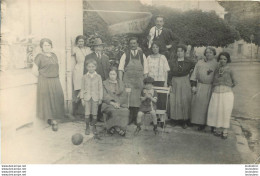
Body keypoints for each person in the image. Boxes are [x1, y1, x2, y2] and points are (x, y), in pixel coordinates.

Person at [32, 38, 64, 130]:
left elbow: (57, 68)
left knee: (57, 98)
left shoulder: (54, 55)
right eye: (45, 45)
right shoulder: (39, 56)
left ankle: (53, 118)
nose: (47, 47)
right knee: (48, 101)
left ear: (51, 46)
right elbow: (34, 71)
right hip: (45, 81)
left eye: (48, 45)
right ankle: (52, 120)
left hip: (55, 80)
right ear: (42, 46)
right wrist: (43, 77)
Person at [207, 52, 237, 139]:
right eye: (221, 59)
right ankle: (217, 129)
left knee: (225, 112)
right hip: (216, 93)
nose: (222, 61)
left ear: (228, 60)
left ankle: (225, 131)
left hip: (226, 94)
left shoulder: (230, 69)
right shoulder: (217, 69)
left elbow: (235, 82)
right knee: (216, 111)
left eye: (224, 59)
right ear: (218, 60)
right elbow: (212, 79)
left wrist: (226, 87)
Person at [118, 37, 148, 125]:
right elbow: (120, 69)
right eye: (131, 43)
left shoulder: (142, 55)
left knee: (138, 100)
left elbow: (145, 70)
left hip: (139, 82)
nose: (133, 45)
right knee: (128, 100)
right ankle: (130, 118)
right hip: (128, 82)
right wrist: (120, 81)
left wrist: (145, 83)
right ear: (129, 45)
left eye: (134, 43)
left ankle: (136, 118)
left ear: (137, 44)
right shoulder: (125, 55)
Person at [190, 47, 218, 131]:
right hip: (201, 86)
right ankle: (200, 123)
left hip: (211, 87)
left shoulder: (216, 64)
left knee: (210, 106)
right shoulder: (199, 62)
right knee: (200, 105)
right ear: (205, 53)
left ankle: (211, 124)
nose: (208, 54)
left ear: (214, 54)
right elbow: (194, 74)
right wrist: (194, 86)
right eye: (207, 52)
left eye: (210, 53)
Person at [168, 44, 195, 129]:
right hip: (174, 81)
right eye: (178, 51)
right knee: (174, 100)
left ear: (184, 52)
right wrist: (169, 83)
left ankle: (184, 121)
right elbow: (169, 73)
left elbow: (195, 70)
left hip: (184, 81)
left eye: (181, 51)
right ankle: (174, 120)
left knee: (184, 100)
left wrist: (191, 78)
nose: (179, 53)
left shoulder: (190, 62)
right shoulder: (171, 61)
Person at [83, 37, 110, 122]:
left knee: (100, 97)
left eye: (100, 46)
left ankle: (99, 115)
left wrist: (107, 80)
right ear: (94, 47)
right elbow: (85, 70)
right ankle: (91, 116)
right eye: (96, 46)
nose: (98, 48)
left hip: (103, 80)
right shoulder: (89, 56)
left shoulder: (105, 57)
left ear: (102, 48)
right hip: (92, 80)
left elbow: (108, 69)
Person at [101, 67, 130, 136]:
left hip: (119, 103)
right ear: (108, 74)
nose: (112, 76)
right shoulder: (104, 83)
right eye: (110, 74)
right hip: (108, 103)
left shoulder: (121, 83)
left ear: (116, 75)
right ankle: (113, 127)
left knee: (125, 111)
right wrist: (113, 103)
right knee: (113, 110)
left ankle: (122, 128)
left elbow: (124, 95)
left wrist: (118, 103)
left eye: (114, 74)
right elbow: (104, 95)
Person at [80, 59, 103, 135]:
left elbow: (100, 88)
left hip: (95, 97)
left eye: (93, 66)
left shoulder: (98, 77)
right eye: (89, 66)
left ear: (95, 67)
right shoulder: (84, 77)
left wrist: (100, 98)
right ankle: (87, 127)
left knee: (94, 113)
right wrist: (82, 98)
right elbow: (82, 88)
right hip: (87, 97)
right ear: (86, 67)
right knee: (87, 113)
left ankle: (94, 127)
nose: (91, 68)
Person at [72, 35, 92, 116]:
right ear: (77, 42)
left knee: (86, 89)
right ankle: (75, 111)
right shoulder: (75, 49)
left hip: (87, 69)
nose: (81, 43)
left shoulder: (88, 49)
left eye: (82, 41)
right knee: (78, 89)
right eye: (79, 41)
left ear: (84, 42)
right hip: (79, 70)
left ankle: (84, 111)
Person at [147, 41, 170, 110]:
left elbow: (166, 71)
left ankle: (161, 117)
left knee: (161, 99)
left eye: (156, 47)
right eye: (153, 47)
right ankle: (152, 116)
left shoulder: (163, 57)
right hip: (151, 82)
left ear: (159, 48)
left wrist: (165, 82)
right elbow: (146, 71)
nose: (155, 49)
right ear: (151, 48)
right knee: (152, 98)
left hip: (161, 81)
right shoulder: (148, 58)